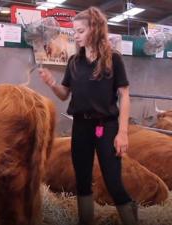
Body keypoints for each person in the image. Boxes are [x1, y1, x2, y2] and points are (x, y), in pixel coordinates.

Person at [39, 7, 137, 225]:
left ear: (95, 29)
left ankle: (131, 219)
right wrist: (52, 83)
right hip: (81, 126)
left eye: (80, 31)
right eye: (74, 31)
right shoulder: (74, 61)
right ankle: (86, 221)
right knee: (81, 180)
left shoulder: (114, 60)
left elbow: (125, 95)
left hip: (107, 126)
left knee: (112, 180)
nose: (76, 35)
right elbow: (64, 95)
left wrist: (123, 133)